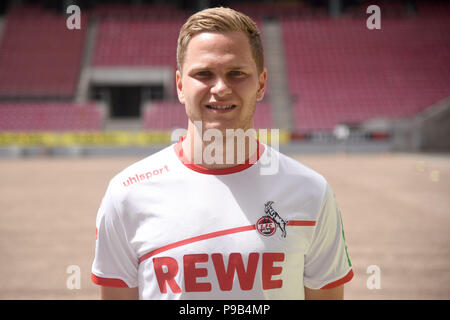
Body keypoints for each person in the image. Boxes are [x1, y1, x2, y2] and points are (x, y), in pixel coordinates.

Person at [91, 7, 353, 300]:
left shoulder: (311, 191)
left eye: (236, 73)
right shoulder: (127, 194)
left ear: (262, 84)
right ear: (180, 86)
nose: (220, 88)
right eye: (203, 74)